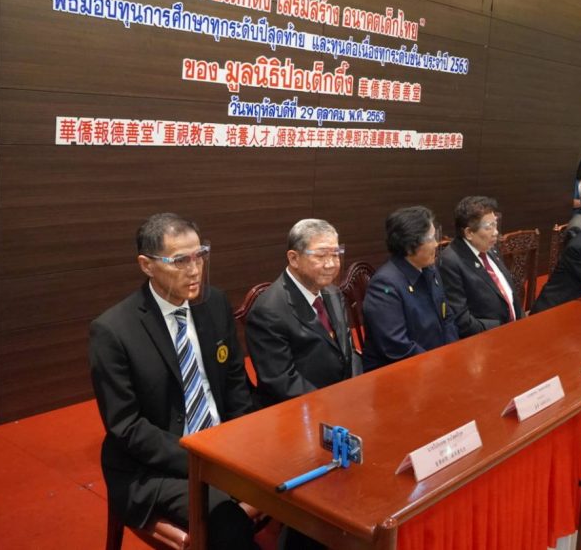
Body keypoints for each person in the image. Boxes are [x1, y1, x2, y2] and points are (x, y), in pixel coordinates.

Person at [89, 214, 256, 549]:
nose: (195, 270)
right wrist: (203, 461)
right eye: (180, 261)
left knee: (301, 490)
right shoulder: (113, 331)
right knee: (227, 520)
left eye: (200, 256)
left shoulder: (214, 303)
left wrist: (244, 443)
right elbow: (127, 427)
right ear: (147, 265)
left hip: (224, 447)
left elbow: (235, 382)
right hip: (154, 467)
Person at [245, 219, 359, 408]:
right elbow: (282, 381)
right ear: (294, 259)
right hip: (300, 409)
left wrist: (355, 389)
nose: (331, 264)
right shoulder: (268, 311)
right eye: (321, 256)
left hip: (342, 399)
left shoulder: (332, 292)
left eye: (335, 254)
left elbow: (349, 350)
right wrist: (330, 404)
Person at [362, 206, 458, 370]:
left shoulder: (430, 269)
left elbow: (447, 317)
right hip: (402, 370)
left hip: (437, 361)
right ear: (409, 246)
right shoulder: (385, 284)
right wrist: (437, 364)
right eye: (430, 239)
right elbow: (397, 346)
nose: (436, 244)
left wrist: (452, 354)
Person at [438, 196, 522, 338]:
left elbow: (508, 293)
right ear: (469, 233)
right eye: (489, 227)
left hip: (514, 331)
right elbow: (462, 321)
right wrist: (502, 329)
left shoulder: (490, 248)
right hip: (486, 339)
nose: (496, 232)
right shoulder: (450, 261)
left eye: (495, 224)